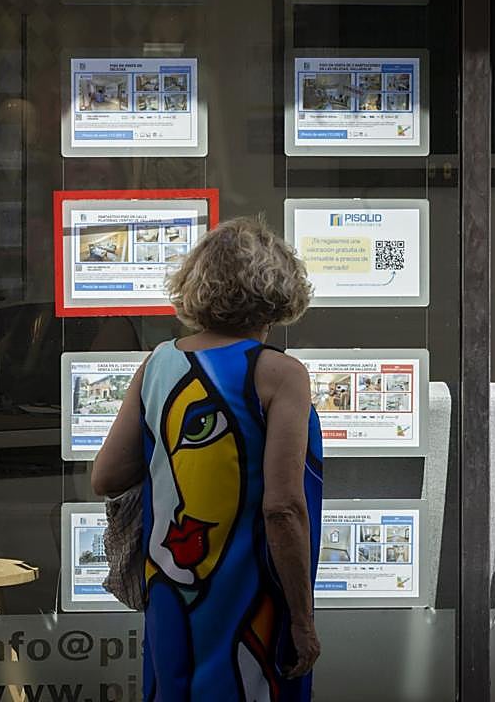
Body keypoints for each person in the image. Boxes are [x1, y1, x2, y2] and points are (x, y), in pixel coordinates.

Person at [92, 216, 323, 701]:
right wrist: (302, 620)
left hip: (173, 588)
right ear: (279, 291)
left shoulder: (158, 364)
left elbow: (107, 476)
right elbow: (283, 508)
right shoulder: (280, 374)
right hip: (254, 594)